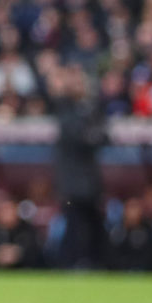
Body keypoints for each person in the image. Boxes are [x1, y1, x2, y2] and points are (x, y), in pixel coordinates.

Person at [52, 65, 109, 269]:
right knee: (75, 222)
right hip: (72, 178)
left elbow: (104, 136)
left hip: (90, 178)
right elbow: (76, 135)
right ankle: (71, 262)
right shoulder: (65, 107)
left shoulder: (92, 107)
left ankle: (94, 262)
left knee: (93, 221)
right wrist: (90, 135)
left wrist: (90, 135)